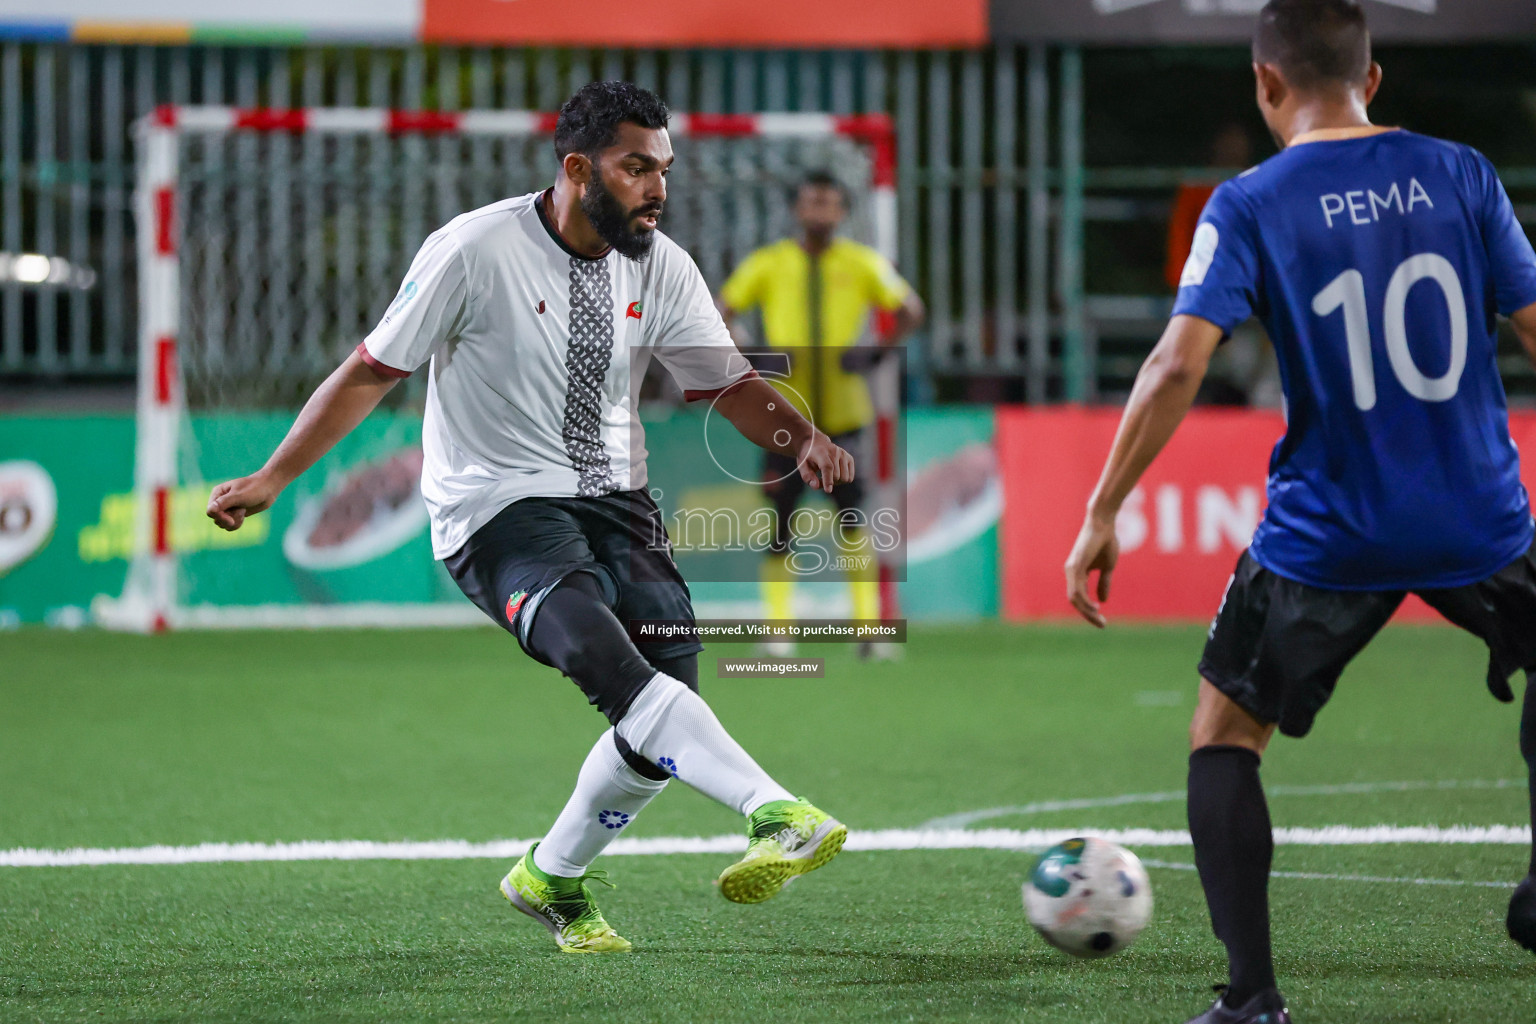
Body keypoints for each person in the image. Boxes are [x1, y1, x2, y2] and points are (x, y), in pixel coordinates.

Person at [205, 82, 853, 954]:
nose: (657, 187)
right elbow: (371, 369)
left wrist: (802, 437)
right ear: (577, 169)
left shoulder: (660, 263)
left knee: (665, 704)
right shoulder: (474, 249)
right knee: (598, 651)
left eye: (663, 168)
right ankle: (774, 810)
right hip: (494, 505)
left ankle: (552, 875)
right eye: (635, 168)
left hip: (617, 502)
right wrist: (275, 476)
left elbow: (726, 382)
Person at [1062, 2, 1536, 1021]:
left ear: (1266, 83)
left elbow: (1178, 361)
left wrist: (1103, 508)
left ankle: (1253, 1000)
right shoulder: (1464, 173)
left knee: (1224, 734)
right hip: (1481, 515)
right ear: (1375, 78)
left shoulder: (1248, 201)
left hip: (1331, 532)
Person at [718, 171, 924, 656]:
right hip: (785, 418)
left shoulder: (863, 262)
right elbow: (719, 310)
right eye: (812, 203)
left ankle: (868, 631)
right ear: (797, 210)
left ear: (843, 212)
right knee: (780, 522)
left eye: (830, 204)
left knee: (853, 518)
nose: (820, 212)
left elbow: (911, 309)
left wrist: (877, 353)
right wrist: (753, 357)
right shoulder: (768, 264)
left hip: (844, 414)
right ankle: (778, 633)